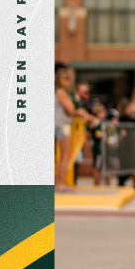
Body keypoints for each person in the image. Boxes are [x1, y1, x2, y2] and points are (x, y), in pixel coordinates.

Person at [55, 62, 88, 192]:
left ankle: (59, 183)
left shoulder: (60, 92)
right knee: (65, 155)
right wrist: (79, 112)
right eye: (65, 79)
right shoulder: (61, 92)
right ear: (59, 80)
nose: (68, 82)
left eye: (69, 80)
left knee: (64, 155)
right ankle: (60, 184)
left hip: (61, 124)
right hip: (62, 125)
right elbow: (70, 110)